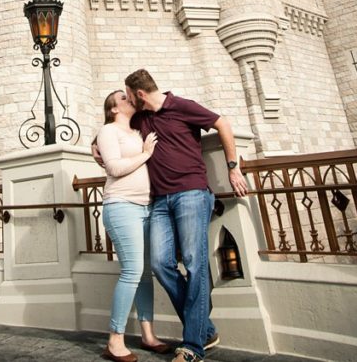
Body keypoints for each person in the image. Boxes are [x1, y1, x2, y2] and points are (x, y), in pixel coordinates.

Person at [123, 69, 249, 362]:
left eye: (129, 94)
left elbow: (223, 123)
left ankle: (192, 347)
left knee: (193, 262)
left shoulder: (182, 106)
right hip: (159, 201)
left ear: (140, 94)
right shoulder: (140, 119)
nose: (128, 100)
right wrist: (96, 147)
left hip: (191, 194)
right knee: (160, 264)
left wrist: (233, 167)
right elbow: (115, 126)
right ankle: (204, 329)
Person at [95, 89, 170, 362]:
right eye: (122, 98)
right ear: (113, 109)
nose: (129, 99)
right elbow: (114, 168)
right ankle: (115, 340)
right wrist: (146, 154)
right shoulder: (108, 131)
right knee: (132, 271)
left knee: (146, 274)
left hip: (147, 207)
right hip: (121, 205)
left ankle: (148, 334)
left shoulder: (138, 130)